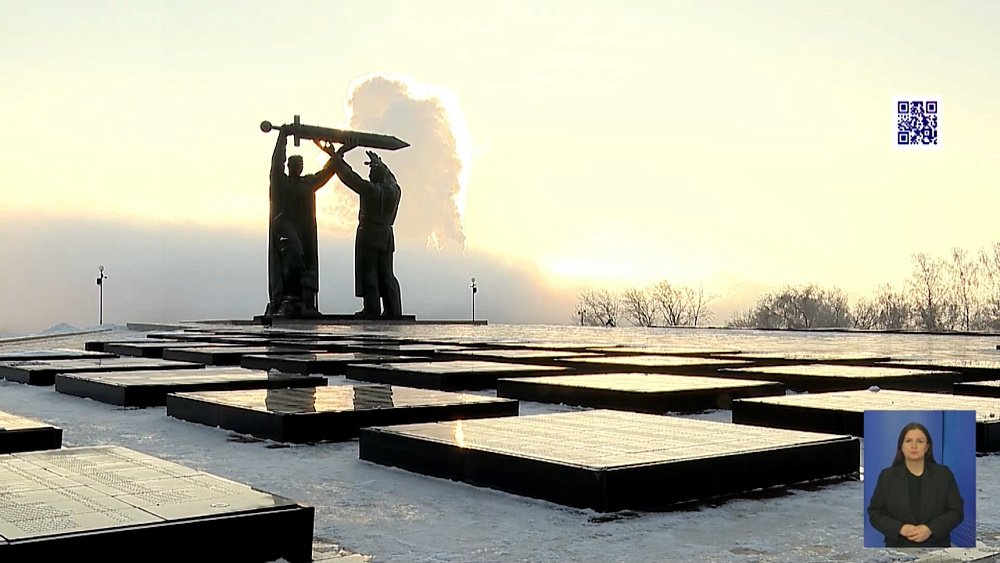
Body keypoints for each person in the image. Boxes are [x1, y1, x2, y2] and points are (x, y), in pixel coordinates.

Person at [322, 145, 403, 320]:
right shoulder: (394, 191)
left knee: (370, 273)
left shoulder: (371, 190)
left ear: (375, 176)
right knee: (387, 273)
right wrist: (381, 165)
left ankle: (372, 309)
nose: (369, 175)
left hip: (369, 235)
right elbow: (392, 179)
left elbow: (350, 177)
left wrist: (336, 158)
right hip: (386, 236)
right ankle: (393, 309)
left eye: (371, 172)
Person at [265, 126, 338, 318]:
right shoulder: (281, 181)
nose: (298, 167)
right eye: (294, 164)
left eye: (300, 164)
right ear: (289, 166)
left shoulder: (308, 183)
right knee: (294, 255)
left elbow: (329, 170)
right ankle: (287, 297)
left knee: (305, 260)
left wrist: (338, 152)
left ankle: (302, 299)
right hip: (285, 227)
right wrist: (283, 137)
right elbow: (276, 163)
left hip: (303, 230)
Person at [867, 422, 964, 547]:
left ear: (927, 447)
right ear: (901, 446)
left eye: (920, 441)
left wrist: (931, 529)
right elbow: (875, 513)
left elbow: (956, 511)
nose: (914, 446)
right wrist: (900, 528)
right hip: (898, 549)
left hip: (936, 549)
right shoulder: (887, 476)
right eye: (908, 441)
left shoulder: (944, 475)